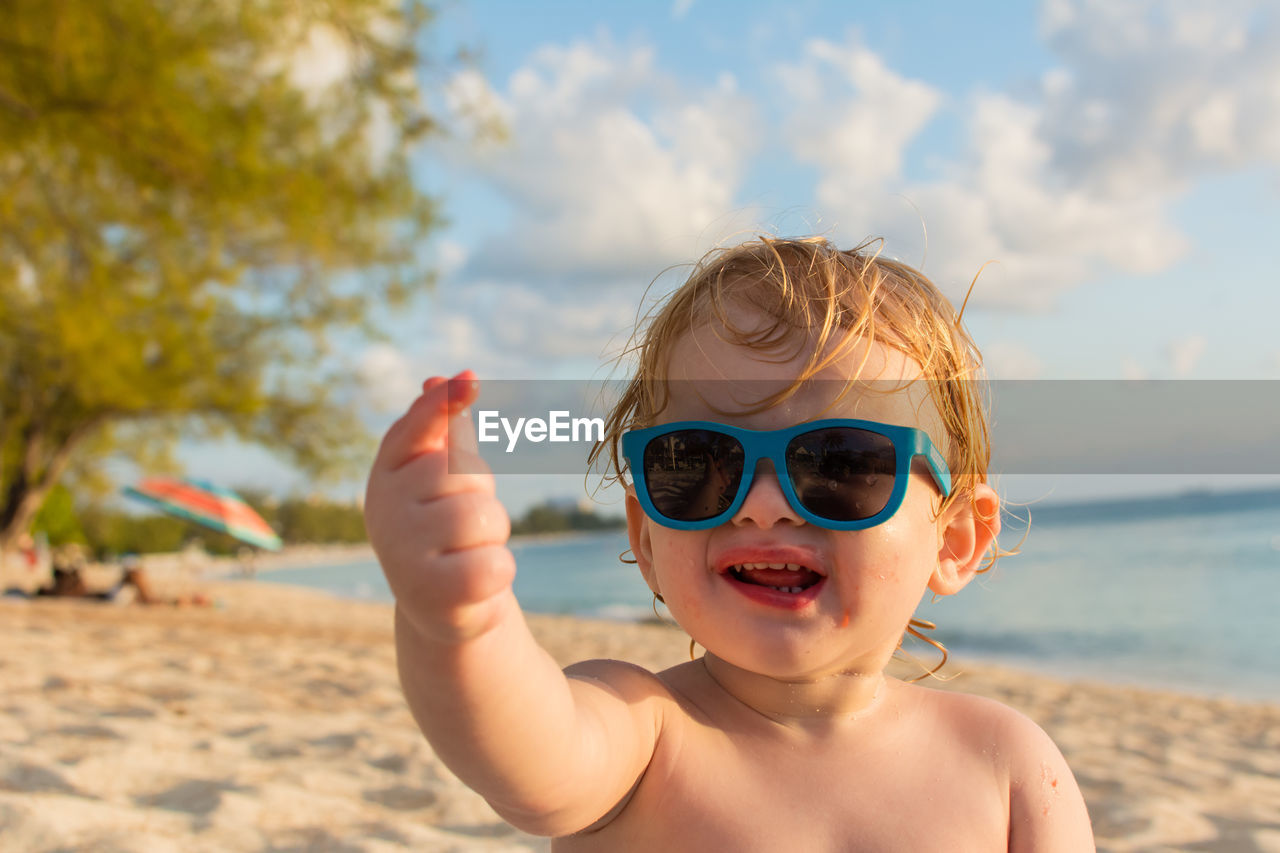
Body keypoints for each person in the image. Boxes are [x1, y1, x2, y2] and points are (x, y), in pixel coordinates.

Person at [365, 236, 1095, 850]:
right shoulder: (643, 732)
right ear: (646, 536)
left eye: (842, 462)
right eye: (696, 462)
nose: (761, 506)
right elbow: (527, 756)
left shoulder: (1004, 765)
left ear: (955, 539)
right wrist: (462, 620)